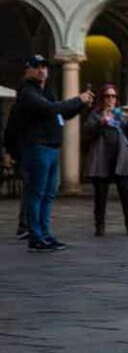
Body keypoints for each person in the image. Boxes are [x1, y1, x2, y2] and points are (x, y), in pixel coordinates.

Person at [17, 55, 94, 252]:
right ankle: (35, 236)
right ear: (28, 70)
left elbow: (63, 113)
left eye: (44, 67)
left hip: (51, 147)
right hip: (38, 147)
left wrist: (80, 104)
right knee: (37, 194)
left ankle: (44, 233)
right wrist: (78, 99)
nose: (42, 70)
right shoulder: (27, 92)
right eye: (37, 67)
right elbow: (52, 109)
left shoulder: (46, 91)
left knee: (49, 194)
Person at [84, 84, 128, 237]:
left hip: (120, 158)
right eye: (107, 96)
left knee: (126, 194)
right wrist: (101, 122)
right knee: (100, 196)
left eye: (113, 96)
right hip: (101, 159)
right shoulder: (95, 114)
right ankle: (99, 225)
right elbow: (88, 133)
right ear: (102, 98)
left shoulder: (121, 114)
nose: (111, 99)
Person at [2, 99, 29, 239]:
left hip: (26, 151)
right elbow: (10, 132)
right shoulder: (19, 107)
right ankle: (25, 224)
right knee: (30, 188)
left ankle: (27, 224)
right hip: (25, 152)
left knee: (30, 189)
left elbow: (9, 132)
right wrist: (9, 153)